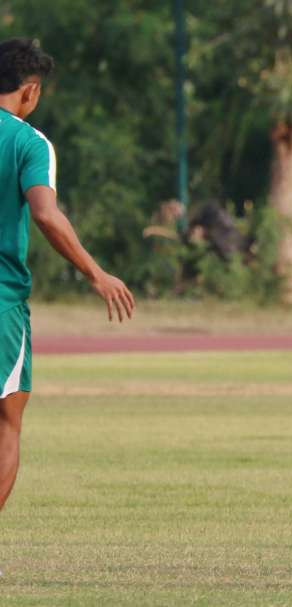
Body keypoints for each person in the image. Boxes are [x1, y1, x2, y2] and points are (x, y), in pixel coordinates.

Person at [0, 38, 135, 518]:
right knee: (6, 425)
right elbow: (46, 214)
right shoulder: (28, 142)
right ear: (30, 91)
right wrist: (95, 272)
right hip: (2, 303)